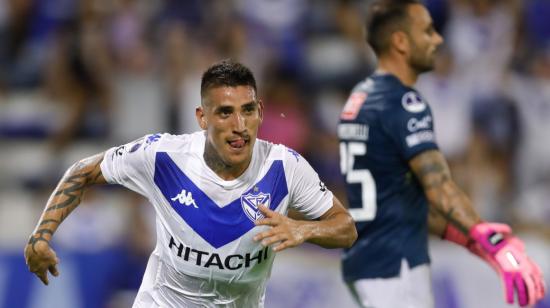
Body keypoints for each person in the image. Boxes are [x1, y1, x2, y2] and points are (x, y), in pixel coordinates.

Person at [24, 60, 357, 307]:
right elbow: (83, 171)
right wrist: (41, 236)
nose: (239, 125)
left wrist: (304, 230)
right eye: (225, 112)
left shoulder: (285, 167)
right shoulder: (164, 156)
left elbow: (346, 227)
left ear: (260, 111)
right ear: (202, 118)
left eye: (247, 111)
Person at [337, 1, 545, 307]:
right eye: (427, 32)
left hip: (367, 257)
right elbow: (439, 191)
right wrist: (494, 245)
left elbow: (410, 201)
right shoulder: (407, 104)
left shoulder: (362, 99)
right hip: (397, 264)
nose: (437, 41)